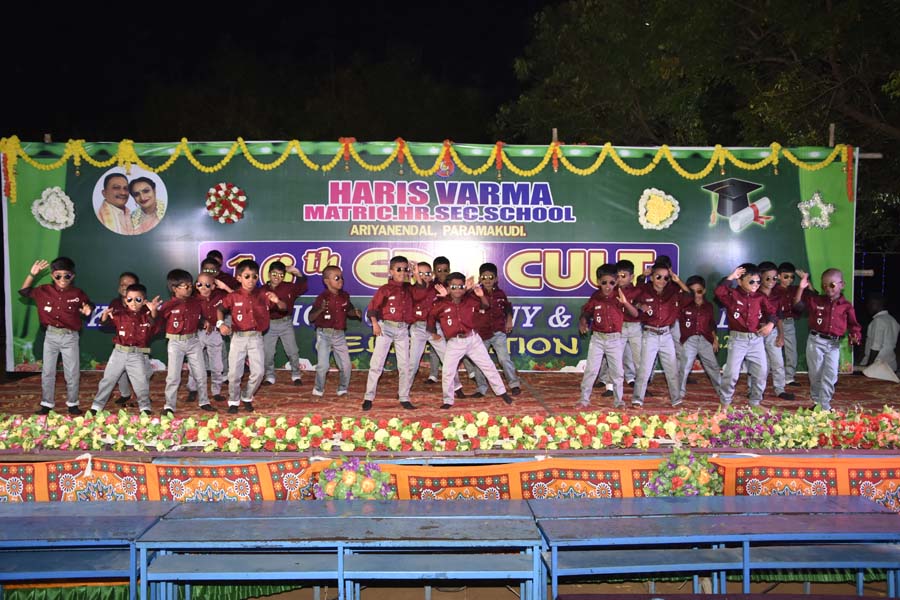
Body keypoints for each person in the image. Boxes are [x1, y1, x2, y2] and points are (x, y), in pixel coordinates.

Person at [428, 272, 513, 408]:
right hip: (455, 343)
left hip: (473, 340)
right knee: (448, 372)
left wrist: (481, 295)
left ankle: (502, 392)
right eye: (453, 287)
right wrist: (433, 332)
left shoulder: (470, 300)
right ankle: (448, 400)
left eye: (461, 286)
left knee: (488, 366)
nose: (457, 290)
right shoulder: (442, 303)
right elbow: (431, 316)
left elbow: (485, 306)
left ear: (464, 288)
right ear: (448, 288)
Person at [20, 257, 93, 415]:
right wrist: (32, 275)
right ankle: (47, 403)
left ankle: (73, 403)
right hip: (51, 336)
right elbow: (24, 291)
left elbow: (88, 305)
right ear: (52, 275)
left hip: (70, 337)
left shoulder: (78, 293)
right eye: (58, 276)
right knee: (47, 372)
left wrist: (88, 309)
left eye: (67, 276)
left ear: (72, 276)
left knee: (72, 373)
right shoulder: (43, 290)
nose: (62, 279)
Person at [794, 268, 862, 410]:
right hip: (815, 342)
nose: (828, 288)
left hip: (833, 344)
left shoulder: (846, 306)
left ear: (842, 285)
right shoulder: (817, 300)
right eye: (824, 285)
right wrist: (801, 288)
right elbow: (798, 306)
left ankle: (824, 405)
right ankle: (817, 402)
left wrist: (855, 336)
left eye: (832, 285)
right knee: (815, 374)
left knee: (831, 374)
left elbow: (853, 325)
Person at [217, 260, 279, 413]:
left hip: (256, 337)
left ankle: (247, 396)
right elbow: (220, 309)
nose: (251, 280)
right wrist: (220, 324)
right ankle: (233, 401)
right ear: (239, 278)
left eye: (254, 276)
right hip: (238, 338)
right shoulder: (233, 296)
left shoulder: (263, 295)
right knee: (234, 374)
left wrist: (277, 301)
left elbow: (283, 307)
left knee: (259, 372)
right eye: (247, 276)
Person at [89, 283, 158, 415]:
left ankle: (145, 407)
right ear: (125, 300)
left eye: (138, 299)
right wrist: (104, 317)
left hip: (136, 354)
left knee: (141, 383)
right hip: (118, 353)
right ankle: (97, 406)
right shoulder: (119, 314)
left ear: (144, 301)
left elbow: (155, 326)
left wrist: (154, 312)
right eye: (130, 299)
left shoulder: (147, 316)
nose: (133, 303)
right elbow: (104, 324)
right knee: (108, 380)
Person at [577, 264, 639, 409]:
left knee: (617, 372)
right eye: (604, 283)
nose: (607, 286)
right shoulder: (596, 297)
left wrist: (625, 303)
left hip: (615, 339)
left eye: (611, 283)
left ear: (616, 282)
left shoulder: (620, 296)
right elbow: (587, 312)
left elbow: (635, 314)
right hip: (597, 339)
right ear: (598, 282)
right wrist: (583, 321)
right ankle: (584, 400)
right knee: (591, 371)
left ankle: (619, 401)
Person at [716, 263, 777, 408]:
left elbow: (773, 313)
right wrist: (731, 277)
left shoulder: (760, 297)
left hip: (756, 340)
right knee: (731, 373)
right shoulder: (732, 295)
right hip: (738, 340)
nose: (755, 284)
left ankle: (755, 402)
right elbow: (719, 292)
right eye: (751, 281)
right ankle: (725, 402)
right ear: (740, 281)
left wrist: (770, 324)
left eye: (758, 282)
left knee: (761, 372)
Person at [630, 262, 690, 407]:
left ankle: (676, 399)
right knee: (644, 369)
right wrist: (640, 305)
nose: (662, 280)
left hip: (666, 334)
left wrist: (678, 281)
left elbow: (689, 296)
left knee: (672, 369)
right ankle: (637, 399)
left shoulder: (673, 291)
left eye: (666, 278)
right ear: (651, 277)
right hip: (649, 333)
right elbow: (633, 300)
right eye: (658, 277)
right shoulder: (644, 289)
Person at [158, 269, 214, 415]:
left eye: (190, 284)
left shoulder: (195, 302)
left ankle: (204, 401)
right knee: (173, 377)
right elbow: (158, 323)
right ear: (174, 288)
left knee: (201, 374)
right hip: (175, 342)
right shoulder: (168, 306)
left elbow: (199, 318)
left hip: (193, 341)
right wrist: (152, 313)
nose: (189, 288)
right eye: (185, 286)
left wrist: (204, 322)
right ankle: (169, 405)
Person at [362, 255, 414, 411]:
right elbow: (372, 308)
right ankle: (368, 397)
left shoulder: (409, 289)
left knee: (405, 365)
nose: (402, 272)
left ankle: (404, 397)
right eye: (399, 269)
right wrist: (375, 324)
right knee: (377, 364)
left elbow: (421, 290)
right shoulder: (385, 289)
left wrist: (415, 273)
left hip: (402, 330)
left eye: (405, 269)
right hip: (386, 328)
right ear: (391, 271)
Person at [309, 265, 362, 397]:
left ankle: (343, 388)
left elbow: (349, 310)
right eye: (337, 278)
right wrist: (320, 309)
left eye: (342, 277)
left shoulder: (344, 296)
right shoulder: (322, 298)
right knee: (323, 366)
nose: (341, 280)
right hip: (324, 334)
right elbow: (311, 317)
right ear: (327, 281)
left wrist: (355, 313)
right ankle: (318, 389)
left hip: (339, 335)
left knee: (346, 365)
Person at [476, 262, 522, 395]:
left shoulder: (501, 294)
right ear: (479, 278)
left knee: (504, 359)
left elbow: (508, 308)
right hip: (481, 333)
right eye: (484, 277)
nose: (487, 280)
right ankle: (481, 388)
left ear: (496, 279)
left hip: (498, 332)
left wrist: (509, 320)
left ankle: (514, 384)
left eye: (490, 277)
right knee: (479, 361)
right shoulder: (475, 294)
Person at [101, 272, 144, 406]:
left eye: (129, 285)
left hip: (139, 347)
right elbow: (107, 324)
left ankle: (143, 397)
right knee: (119, 371)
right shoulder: (115, 303)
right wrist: (104, 319)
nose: (125, 287)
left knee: (142, 374)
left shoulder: (142, 305)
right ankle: (125, 394)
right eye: (122, 284)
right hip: (122, 344)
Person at [677, 276, 723, 402]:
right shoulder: (684, 306)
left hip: (705, 339)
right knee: (684, 367)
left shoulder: (709, 306)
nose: (696, 294)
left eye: (699, 291)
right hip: (689, 339)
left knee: (713, 366)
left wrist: (714, 339)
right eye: (692, 292)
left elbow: (711, 324)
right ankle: (679, 393)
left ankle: (722, 391)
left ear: (704, 291)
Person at [262, 261, 308, 386]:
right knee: (268, 353)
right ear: (269, 274)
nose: (277, 277)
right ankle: (269, 376)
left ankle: (296, 374)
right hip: (269, 325)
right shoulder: (262, 290)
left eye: (281, 275)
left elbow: (303, 286)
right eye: (274, 274)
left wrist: (297, 273)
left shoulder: (289, 287)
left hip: (285, 323)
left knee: (292, 351)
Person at [186, 272, 228, 403]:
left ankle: (216, 391)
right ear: (196, 286)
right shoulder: (192, 300)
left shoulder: (220, 297)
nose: (203, 287)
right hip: (198, 333)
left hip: (215, 333)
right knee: (195, 363)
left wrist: (225, 287)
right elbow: (190, 315)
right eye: (200, 284)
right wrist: (202, 321)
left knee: (217, 365)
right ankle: (192, 389)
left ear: (213, 286)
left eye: (207, 285)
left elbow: (236, 297)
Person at [755, 261, 795, 400]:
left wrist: (781, 335)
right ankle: (755, 390)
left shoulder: (777, 296)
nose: (772, 281)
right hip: (757, 333)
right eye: (768, 278)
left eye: (775, 278)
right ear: (760, 278)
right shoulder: (754, 294)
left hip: (773, 332)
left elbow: (779, 317)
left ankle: (780, 389)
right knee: (758, 364)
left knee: (778, 362)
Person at [425, 256, 452, 384]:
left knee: (458, 347)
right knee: (435, 348)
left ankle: (470, 372)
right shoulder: (431, 286)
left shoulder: (453, 284)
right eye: (439, 270)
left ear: (449, 270)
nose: (442, 273)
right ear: (434, 271)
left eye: (445, 270)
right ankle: (433, 375)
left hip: (451, 321)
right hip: (436, 322)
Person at [776, 262, 803, 386]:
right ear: (778, 276)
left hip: (789, 322)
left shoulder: (795, 290)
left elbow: (813, 294)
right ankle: (769, 377)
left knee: (791, 351)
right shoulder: (773, 290)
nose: (789, 280)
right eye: (786, 276)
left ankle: (789, 377)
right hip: (774, 323)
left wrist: (804, 279)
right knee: (772, 351)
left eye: (792, 277)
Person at [859, 292, 899, 371]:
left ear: (878, 304)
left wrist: (869, 366)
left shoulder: (878, 321)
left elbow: (876, 346)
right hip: (890, 364)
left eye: (870, 304)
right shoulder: (893, 320)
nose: (868, 307)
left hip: (878, 366)